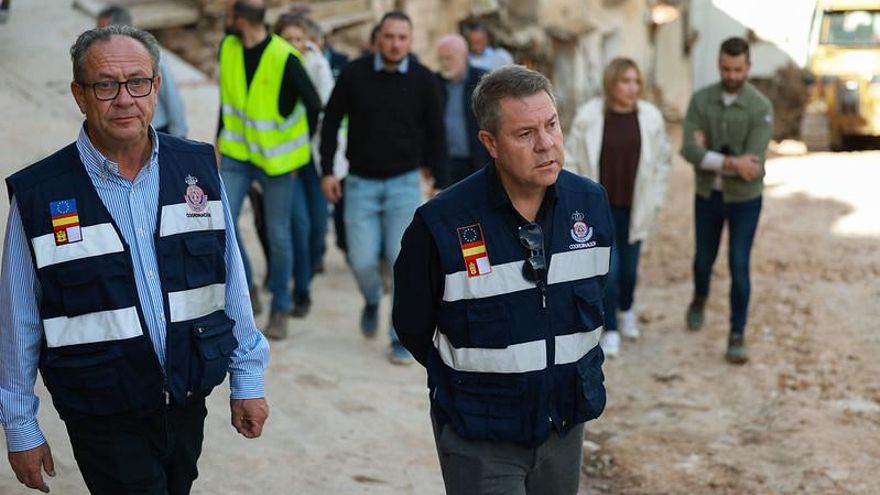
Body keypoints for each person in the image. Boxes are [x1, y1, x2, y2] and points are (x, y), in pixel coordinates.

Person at [0, 25, 269, 494]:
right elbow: (18, 318)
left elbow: (231, 282)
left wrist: (247, 379)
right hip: (101, 414)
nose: (124, 99)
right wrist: (20, 425)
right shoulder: (39, 194)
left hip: (186, 400)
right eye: (106, 85)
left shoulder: (198, 169)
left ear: (156, 88)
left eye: (137, 82)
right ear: (80, 95)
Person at [393, 65, 613, 495]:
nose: (546, 144)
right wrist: (470, 389)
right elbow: (413, 327)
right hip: (480, 435)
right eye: (525, 134)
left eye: (551, 125)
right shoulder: (441, 223)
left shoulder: (590, 203)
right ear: (490, 143)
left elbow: (594, 296)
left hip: (565, 426)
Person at [320, 10, 447, 364]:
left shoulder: (424, 80)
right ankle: (372, 299)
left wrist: (441, 182)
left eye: (402, 38)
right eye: (389, 37)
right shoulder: (355, 73)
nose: (395, 44)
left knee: (400, 262)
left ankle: (398, 337)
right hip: (360, 184)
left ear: (410, 41)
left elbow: (437, 134)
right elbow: (331, 122)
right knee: (361, 260)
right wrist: (327, 171)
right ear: (377, 39)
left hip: (404, 185)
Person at [216, 0, 322, 339]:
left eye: (229, 15)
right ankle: (247, 289)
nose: (225, 20)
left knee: (278, 235)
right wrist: (219, 140)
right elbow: (228, 99)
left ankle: (281, 306)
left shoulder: (284, 57)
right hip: (236, 155)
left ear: (241, 20)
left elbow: (314, 104)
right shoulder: (228, 47)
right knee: (223, 223)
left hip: (277, 162)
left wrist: (297, 155)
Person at [566, 58, 672, 357]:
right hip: (599, 210)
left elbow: (663, 162)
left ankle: (627, 311)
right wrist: (578, 200)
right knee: (608, 272)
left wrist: (656, 199)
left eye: (636, 81)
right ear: (611, 83)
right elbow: (571, 159)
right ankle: (610, 327)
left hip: (636, 207)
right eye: (625, 81)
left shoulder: (650, 117)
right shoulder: (588, 116)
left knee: (629, 272)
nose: (632, 87)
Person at [680, 36, 772, 364]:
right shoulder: (701, 100)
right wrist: (733, 162)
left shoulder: (760, 107)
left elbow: (753, 166)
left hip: (745, 200)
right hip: (708, 195)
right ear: (719, 65)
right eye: (725, 69)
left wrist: (711, 157)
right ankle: (699, 297)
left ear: (748, 67)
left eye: (737, 69)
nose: (731, 75)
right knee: (703, 259)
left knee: (739, 264)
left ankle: (737, 334)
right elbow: (690, 150)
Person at [274, 13, 333, 317]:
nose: (294, 45)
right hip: (287, 160)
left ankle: (307, 269)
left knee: (319, 224)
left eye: (299, 39)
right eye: (288, 40)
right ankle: (301, 291)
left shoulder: (317, 66)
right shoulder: (273, 68)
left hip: (315, 158)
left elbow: (327, 109)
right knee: (299, 224)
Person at [97, 5, 189, 137]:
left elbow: (171, 95)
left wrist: (179, 133)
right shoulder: (101, 59)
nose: (97, 36)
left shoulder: (148, 55)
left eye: (102, 31)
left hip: (156, 129)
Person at [435, 33, 490, 185]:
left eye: (449, 58)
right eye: (441, 59)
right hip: (445, 163)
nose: (444, 63)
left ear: (464, 56)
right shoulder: (434, 82)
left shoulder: (483, 80)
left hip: (478, 161)